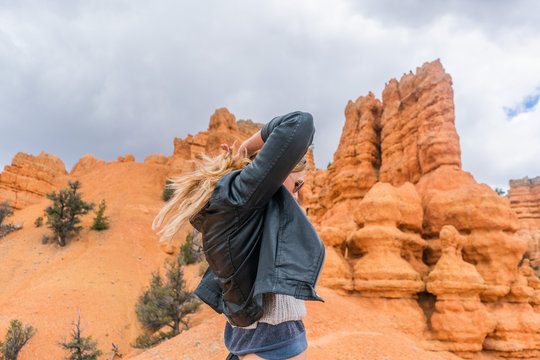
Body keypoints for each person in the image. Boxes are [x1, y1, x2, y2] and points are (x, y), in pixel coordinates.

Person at [153, 111, 325, 360]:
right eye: (296, 184)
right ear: (275, 173)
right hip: (270, 346)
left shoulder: (240, 209)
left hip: (261, 344)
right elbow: (300, 123)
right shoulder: (239, 201)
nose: (297, 195)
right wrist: (245, 149)